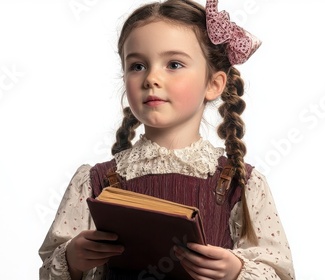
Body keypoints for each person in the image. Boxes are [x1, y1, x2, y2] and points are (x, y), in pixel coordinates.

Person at [39, 0, 295, 279]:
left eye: (173, 64)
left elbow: (279, 272)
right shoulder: (94, 182)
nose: (151, 78)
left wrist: (236, 271)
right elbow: (50, 270)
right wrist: (73, 259)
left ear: (214, 84)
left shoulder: (241, 183)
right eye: (137, 65)